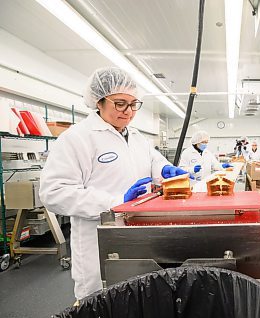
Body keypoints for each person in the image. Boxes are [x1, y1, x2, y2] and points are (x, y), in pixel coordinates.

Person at [39, 67, 189, 300]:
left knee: (139, 301)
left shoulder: (137, 137)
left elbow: (153, 163)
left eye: (133, 104)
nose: (128, 111)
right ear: (98, 101)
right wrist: (115, 203)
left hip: (141, 238)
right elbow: (54, 193)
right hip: (98, 244)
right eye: (120, 103)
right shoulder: (77, 138)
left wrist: (164, 171)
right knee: (101, 307)